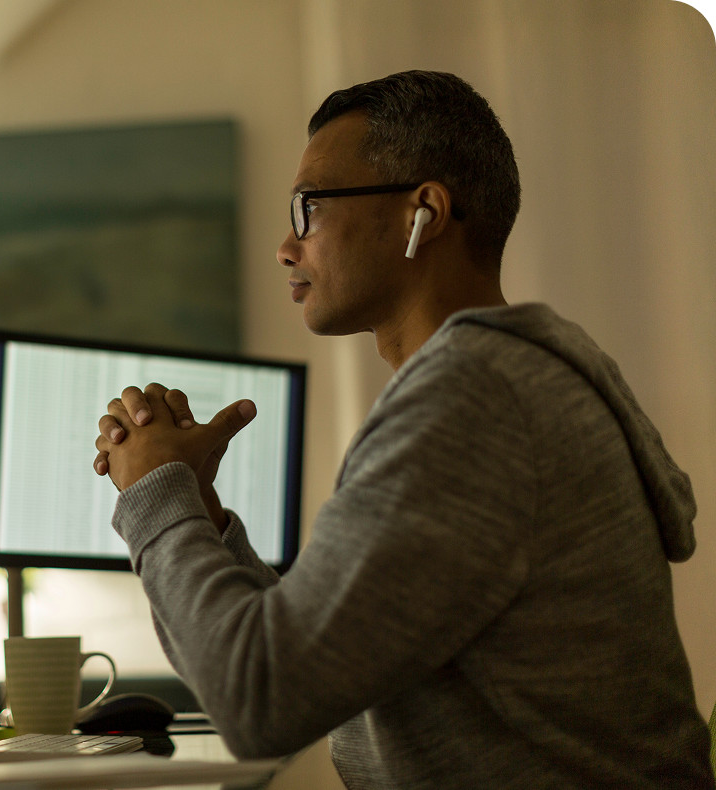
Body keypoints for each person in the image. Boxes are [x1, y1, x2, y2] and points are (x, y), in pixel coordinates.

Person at [92, 70, 713, 787]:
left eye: (310, 208)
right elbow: (323, 662)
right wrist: (196, 509)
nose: (286, 248)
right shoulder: (503, 380)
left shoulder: (473, 402)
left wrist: (154, 492)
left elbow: (262, 697)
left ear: (425, 212)